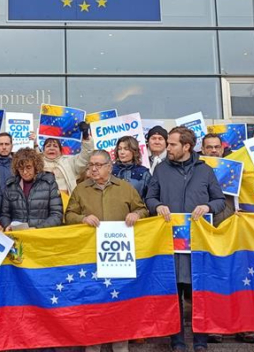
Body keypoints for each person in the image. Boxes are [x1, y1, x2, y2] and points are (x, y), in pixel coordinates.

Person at [146, 126, 225, 352]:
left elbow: (219, 200)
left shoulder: (205, 170)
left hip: (198, 245)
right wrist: (158, 205)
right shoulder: (160, 170)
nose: (167, 148)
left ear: (186, 147)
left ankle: (200, 342)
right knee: (174, 296)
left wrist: (207, 205)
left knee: (198, 295)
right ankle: (177, 343)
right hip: (169, 244)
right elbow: (149, 198)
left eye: (172, 144)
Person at [65, 149, 149, 352]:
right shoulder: (80, 189)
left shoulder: (125, 188)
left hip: (118, 259)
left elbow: (144, 209)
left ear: (109, 167)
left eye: (98, 165)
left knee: (119, 306)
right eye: (90, 165)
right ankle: (93, 348)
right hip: (90, 258)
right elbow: (68, 215)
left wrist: (137, 214)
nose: (93, 169)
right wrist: (82, 219)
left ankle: (120, 347)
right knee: (93, 306)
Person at [0, 148, 62, 229]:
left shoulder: (49, 183)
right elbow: (4, 215)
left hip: (42, 235)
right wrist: (7, 225)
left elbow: (57, 215)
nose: (25, 172)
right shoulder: (11, 185)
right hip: (18, 236)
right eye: (21, 168)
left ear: (36, 166)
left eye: (28, 167)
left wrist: (37, 228)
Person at [41, 122, 94, 209]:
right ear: (43, 150)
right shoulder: (37, 164)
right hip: (45, 206)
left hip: (68, 205)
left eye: (55, 146)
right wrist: (32, 142)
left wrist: (86, 137)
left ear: (60, 151)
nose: (51, 148)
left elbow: (85, 157)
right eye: (48, 146)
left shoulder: (69, 161)